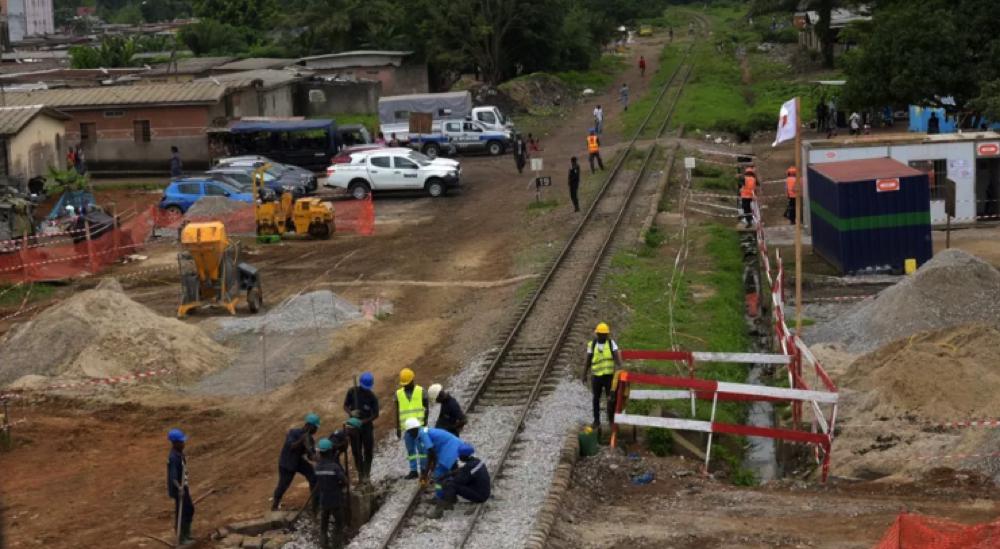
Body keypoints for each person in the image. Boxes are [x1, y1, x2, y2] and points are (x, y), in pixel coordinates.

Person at [409, 422, 465, 516]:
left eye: (409, 432)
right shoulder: (422, 432)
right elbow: (431, 453)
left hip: (449, 448)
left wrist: (426, 473)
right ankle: (449, 500)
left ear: (413, 429)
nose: (410, 435)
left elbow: (431, 453)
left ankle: (439, 509)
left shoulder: (422, 434)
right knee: (445, 476)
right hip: (450, 446)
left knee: (438, 477)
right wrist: (428, 470)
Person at [272, 413, 320, 511]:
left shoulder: (310, 439)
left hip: (298, 461)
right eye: (316, 427)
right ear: (310, 426)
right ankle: (275, 505)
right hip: (287, 463)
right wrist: (302, 440)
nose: (316, 430)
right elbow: (291, 447)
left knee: (312, 474)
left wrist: (314, 457)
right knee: (283, 485)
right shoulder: (293, 433)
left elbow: (310, 455)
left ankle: (315, 502)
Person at [430, 443, 490, 518]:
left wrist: (445, 480)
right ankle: (450, 501)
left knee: (450, 484)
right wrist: (446, 475)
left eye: (460, 455)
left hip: (480, 496)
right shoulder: (476, 461)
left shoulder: (469, 467)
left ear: (464, 456)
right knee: (451, 482)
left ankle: (438, 512)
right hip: (484, 491)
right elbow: (462, 470)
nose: (459, 457)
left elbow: (458, 481)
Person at [585, 323, 621, 431]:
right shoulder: (592, 344)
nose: (603, 336)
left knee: (611, 399)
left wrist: (621, 368)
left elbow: (616, 357)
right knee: (596, 399)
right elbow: (588, 360)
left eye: (605, 334)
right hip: (596, 377)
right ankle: (596, 421)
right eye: (601, 334)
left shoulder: (611, 343)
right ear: (597, 334)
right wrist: (584, 374)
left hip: (609, 377)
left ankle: (611, 421)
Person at [343, 372, 379, 481]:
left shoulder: (372, 397)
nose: (365, 390)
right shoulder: (352, 392)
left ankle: (366, 473)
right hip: (354, 428)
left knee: (368, 450)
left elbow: (376, 414)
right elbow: (345, 406)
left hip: (366, 427)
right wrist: (351, 413)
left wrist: (363, 422)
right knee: (356, 451)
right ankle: (360, 473)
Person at [395, 368, 428, 479]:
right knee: (410, 451)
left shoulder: (421, 391)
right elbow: (397, 411)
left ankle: (424, 469)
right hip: (407, 429)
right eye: (403, 384)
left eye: (407, 383)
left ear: (412, 380)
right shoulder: (398, 394)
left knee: (422, 450)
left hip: (419, 427)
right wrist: (398, 427)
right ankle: (413, 470)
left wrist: (425, 423)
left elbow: (426, 408)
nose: (404, 386)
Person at [314, 438, 347, 549]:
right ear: (330, 451)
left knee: (324, 525)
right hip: (335, 500)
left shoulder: (317, 467)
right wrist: (339, 487)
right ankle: (337, 545)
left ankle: (324, 545)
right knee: (339, 523)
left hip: (323, 500)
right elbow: (344, 481)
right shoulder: (335, 467)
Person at [166, 428, 194, 544]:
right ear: (175, 443)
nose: (183, 443)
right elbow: (173, 477)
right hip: (179, 489)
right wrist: (180, 488)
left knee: (189, 510)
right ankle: (182, 538)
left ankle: (187, 534)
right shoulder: (173, 458)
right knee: (183, 511)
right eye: (181, 442)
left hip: (183, 486)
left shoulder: (179, 454)